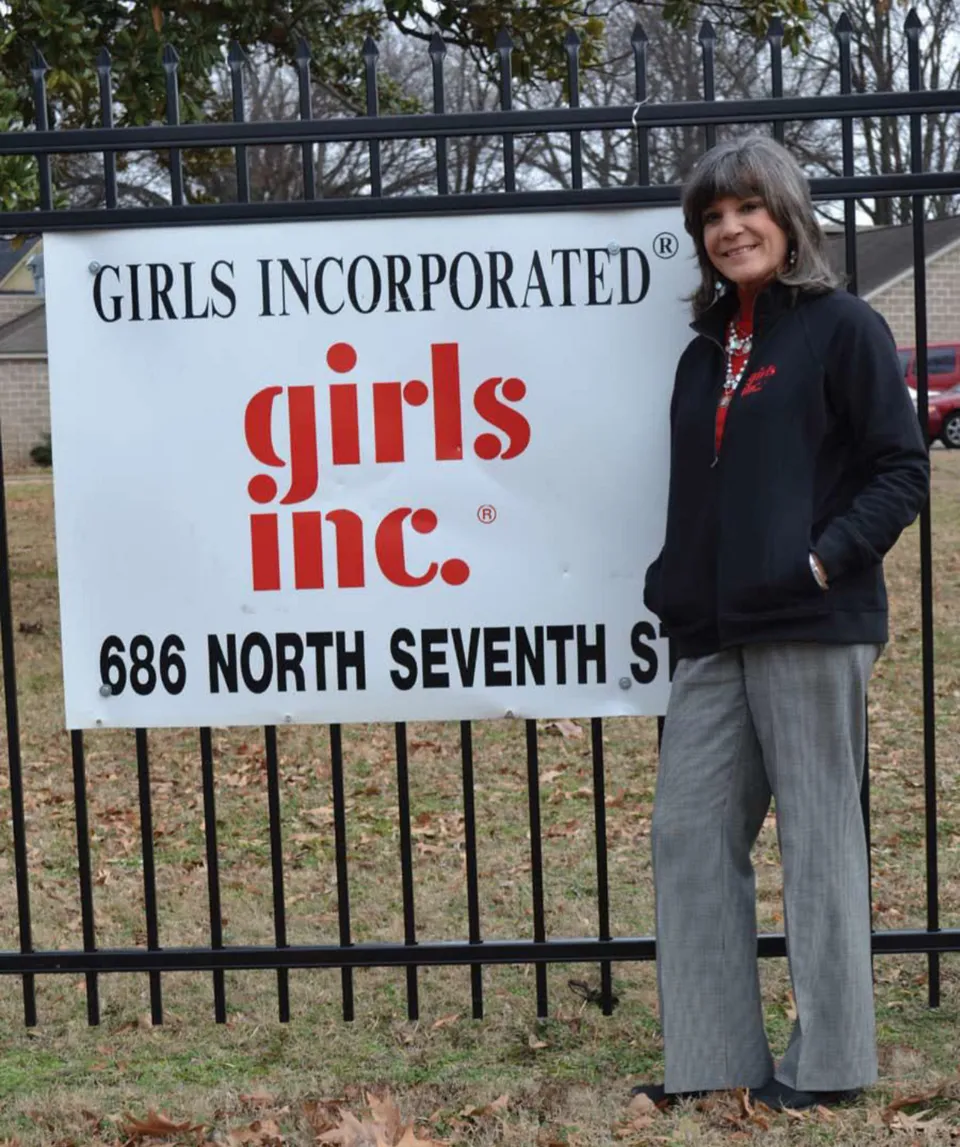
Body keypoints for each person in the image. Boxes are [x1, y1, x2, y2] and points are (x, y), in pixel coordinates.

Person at [636, 135, 929, 1113]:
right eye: (712, 217)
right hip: (714, 630)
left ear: (788, 215)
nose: (729, 229)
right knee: (686, 832)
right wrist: (677, 582)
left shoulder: (843, 327)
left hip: (813, 619)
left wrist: (820, 558)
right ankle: (715, 1062)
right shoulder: (703, 353)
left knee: (817, 838)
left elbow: (900, 469)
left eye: (746, 208)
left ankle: (830, 1064)